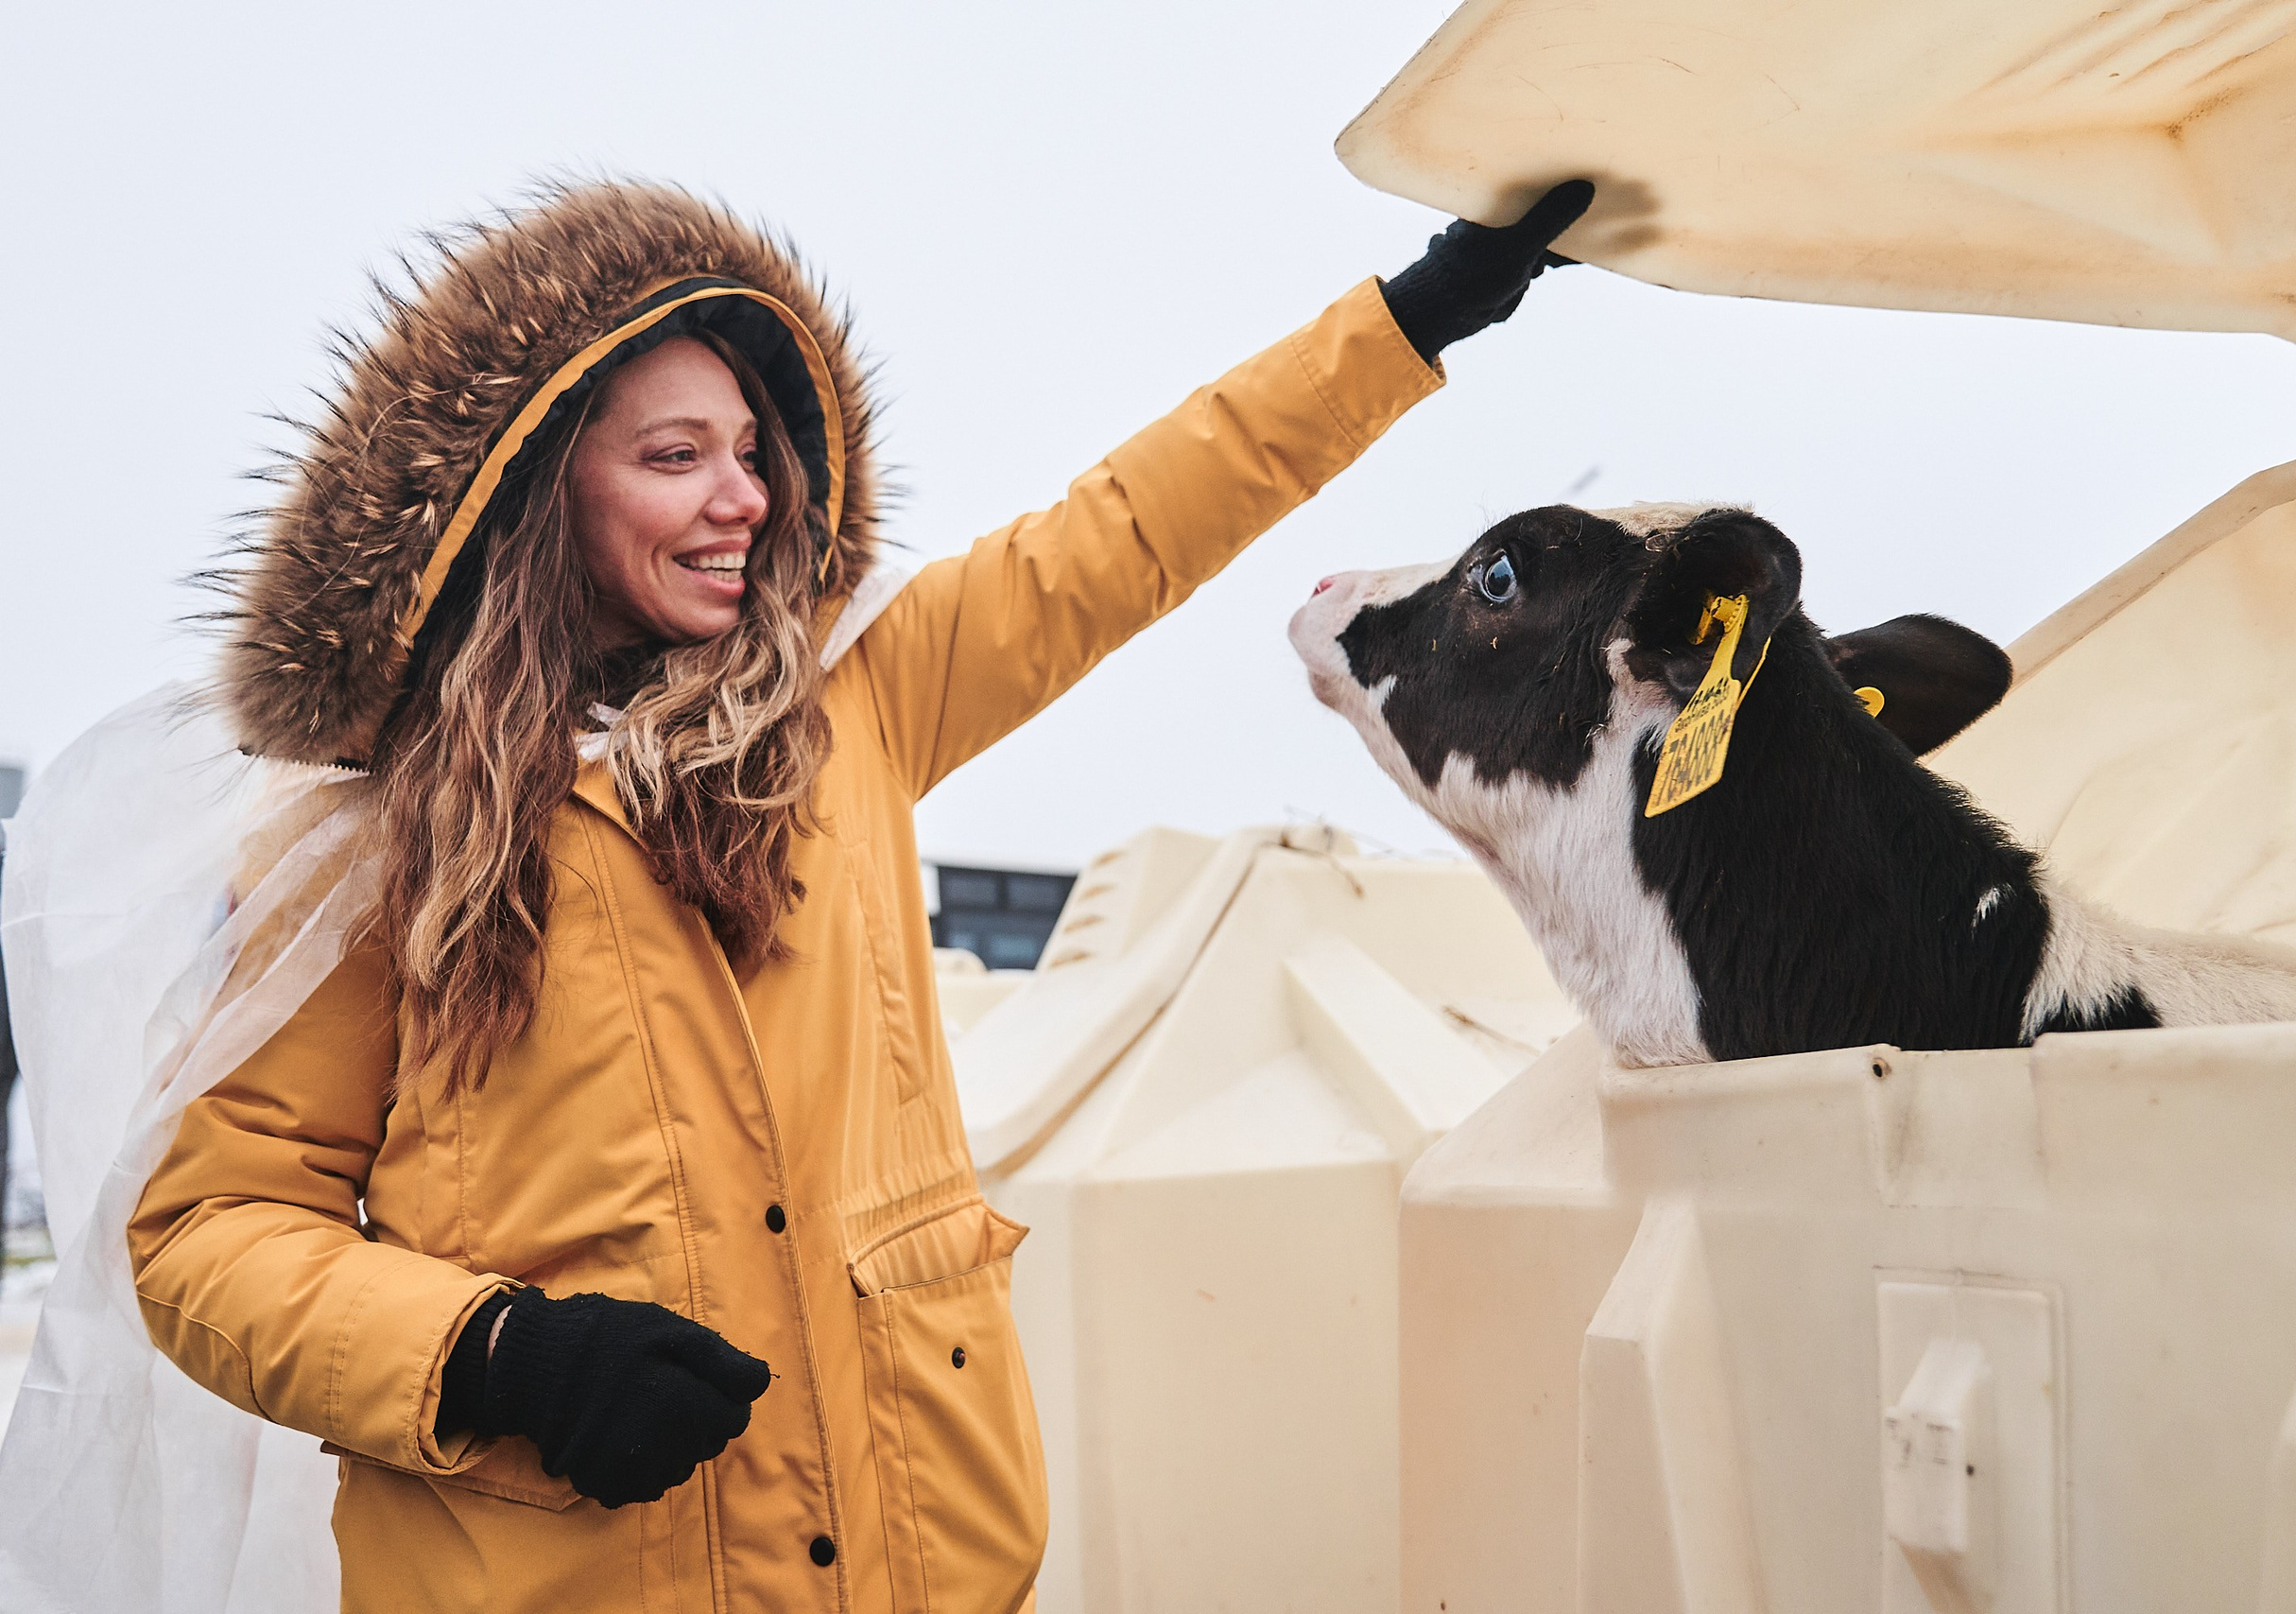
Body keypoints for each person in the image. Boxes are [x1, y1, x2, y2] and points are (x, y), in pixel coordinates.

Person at [115, 176, 1592, 1613]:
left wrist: (1415, 316)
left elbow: (1133, 527)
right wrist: (492, 1355)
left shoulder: (856, 699)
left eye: (753, 453)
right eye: (675, 458)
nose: (743, 500)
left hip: (918, 1560)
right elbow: (211, 1233)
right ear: (531, 485)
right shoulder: (375, 836)